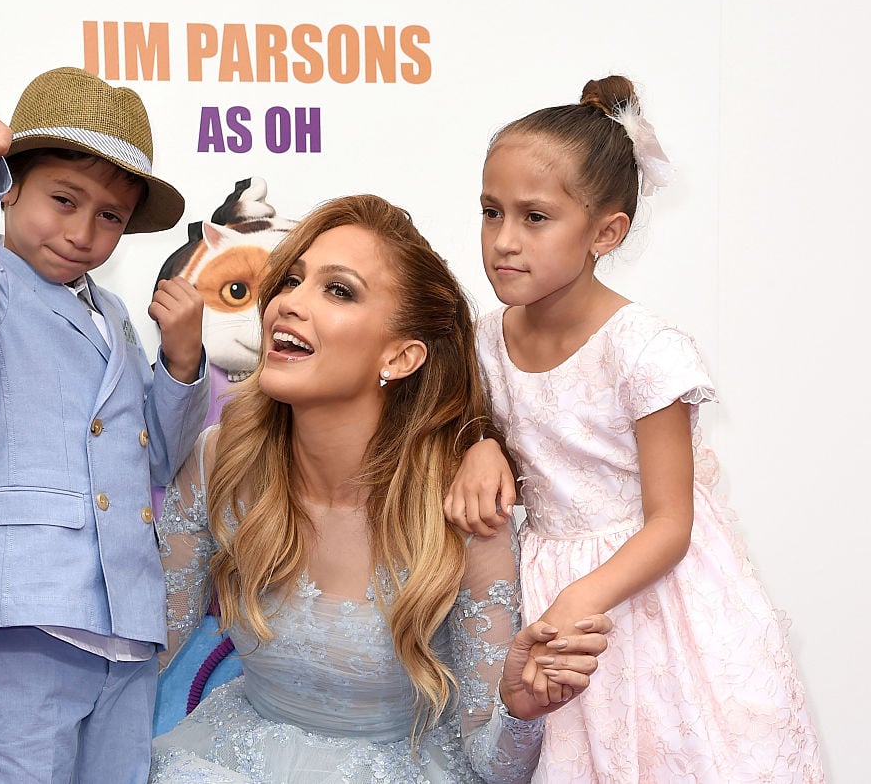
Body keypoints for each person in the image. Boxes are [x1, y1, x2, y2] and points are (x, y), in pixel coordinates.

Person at [148, 194, 612, 783]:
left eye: (338, 290)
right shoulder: (223, 457)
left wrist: (521, 710)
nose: (288, 303)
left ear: (401, 354)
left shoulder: (464, 507)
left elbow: (495, 768)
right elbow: (145, 649)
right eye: (290, 280)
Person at [444, 75, 825, 781]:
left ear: (606, 232)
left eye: (535, 217)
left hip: (649, 594)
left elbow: (671, 523)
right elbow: (467, 418)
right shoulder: (485, 340)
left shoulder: (645, 350)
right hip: (544, 577)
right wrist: (478, 444)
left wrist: (585, 594)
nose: (503, 241)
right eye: (491, 212)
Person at [0, 66, 210, 783]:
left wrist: (182, 358)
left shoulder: (113, 317)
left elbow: (160, 458)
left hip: (128, 622)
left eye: (109, 216)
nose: (82, 232)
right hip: (29, 609)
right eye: (63, 200)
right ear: (8, 186)